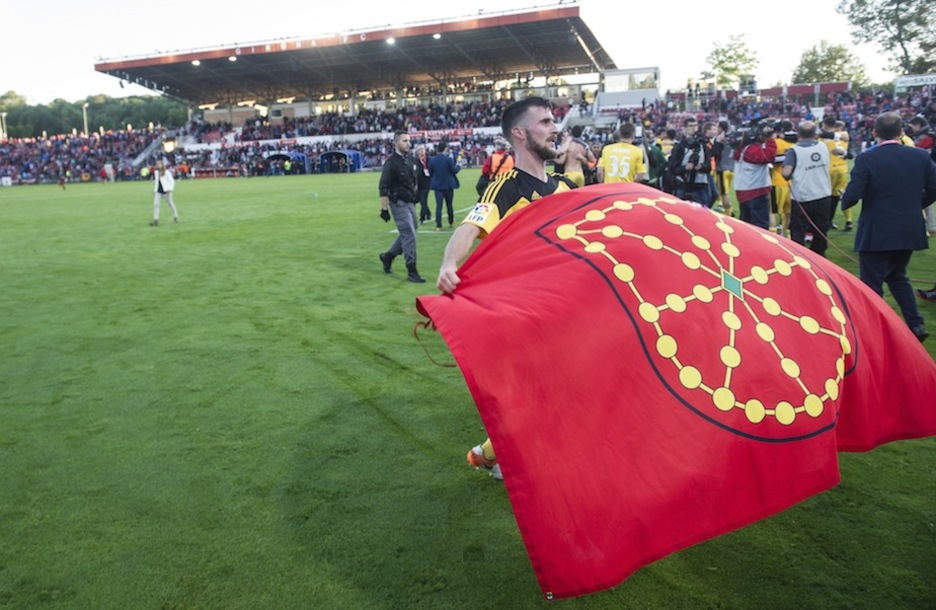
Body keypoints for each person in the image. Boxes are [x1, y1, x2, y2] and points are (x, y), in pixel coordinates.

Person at [436, 96, 577, 480]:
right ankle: (490, 454)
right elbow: (470, 227)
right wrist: (450, 263)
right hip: (530, 314)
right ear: (519, 133)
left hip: (573, 307)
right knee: (546, 395)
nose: (554, 128)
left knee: (565, 390)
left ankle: (494, 453)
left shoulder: (567, 185)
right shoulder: (506, 188)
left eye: (554, 121)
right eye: (545, 122)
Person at [842, 112, 936, 343]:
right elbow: (934, 188)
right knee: (897, 276)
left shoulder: (867, 159)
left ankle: (874, 330)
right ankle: (915, 323)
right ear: (901, 132)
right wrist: (916, 205)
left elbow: (853, 196)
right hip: (908, 227)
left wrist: (844, 198)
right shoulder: (920, 157)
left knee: (872, 283)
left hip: (877, 230)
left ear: (875, 133)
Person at [378, 131, 425, 283]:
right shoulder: (390, 163)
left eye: (409, 140)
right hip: (398, 202)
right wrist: (384, 209)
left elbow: (414, 180)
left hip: (410, 201)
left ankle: (388, 256)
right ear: (396, 143)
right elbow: (383, 187)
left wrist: (418, 196)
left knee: (410, 232)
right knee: (409, 234)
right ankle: (412, 270)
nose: (408, 143)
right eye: (405, 141)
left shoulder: (410, 159)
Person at [781, 121, 832, 256]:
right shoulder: (823, 146)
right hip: (823, 194)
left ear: (799, 133)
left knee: (798, 230)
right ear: (814, 133)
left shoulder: (794, 150)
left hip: (803, 197)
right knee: (821, 229)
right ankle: (819, 255)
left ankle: (800, 257)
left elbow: (786, 172)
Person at [732, 122, 776, 229]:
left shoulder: (742, 149)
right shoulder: (752, 149)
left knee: (747, 225)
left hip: (744, 190)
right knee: (759, 226)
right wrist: (770, 139)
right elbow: (767, 157)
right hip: (755, 191)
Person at [668, 117, 712, 206]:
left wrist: (701, 166)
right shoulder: (680, 147)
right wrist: (685, 168)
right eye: (690, 126)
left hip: (700, 185)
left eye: (695, 125)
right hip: (683, 185)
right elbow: (672, 168)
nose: (693, 128)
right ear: (685, 128)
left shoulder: (703, 146)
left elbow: (709, 166)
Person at [818, 115, 851, 230]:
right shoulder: (843, 136)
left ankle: (825, 221)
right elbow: (849, 154)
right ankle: (841, 220)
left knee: (825, 197)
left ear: (824, 125)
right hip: (842, 170)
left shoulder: (820, 139)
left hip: (828, 170)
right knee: (838, 196)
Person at [770, 120, 796, 236]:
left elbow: (770, 159)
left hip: (778, 181)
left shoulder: (775, 142)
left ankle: (773, 235)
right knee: (789, 212)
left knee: (772, 212)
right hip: (792, 183)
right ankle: (787, 236)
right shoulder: (794, 143)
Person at [428, 141, 461, 231]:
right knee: (449, 204)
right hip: (448, 185)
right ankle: (451, 221)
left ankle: (439, 225)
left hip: (437, 186)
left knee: (439, 206)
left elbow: (430, 173)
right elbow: (453, 170)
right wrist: (459, 166)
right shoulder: (447, 159)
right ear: (445, 149)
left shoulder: (432, 160)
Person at [150, 160, 179, 227]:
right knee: (156, 205)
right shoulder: (156, 172)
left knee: (170, 204)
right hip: (159, 191)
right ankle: (155, 220)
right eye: (157, 164)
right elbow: (157, 182)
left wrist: (170, 189)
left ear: (162, 165)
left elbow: (172, 181)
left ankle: (175, 217)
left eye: (159, 164)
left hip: (166, 191)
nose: (158, 165)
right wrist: (155, 190)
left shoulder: (166, 172)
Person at [414, 145, 432, 224]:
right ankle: (428, 213)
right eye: (419, 150)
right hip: (418, 184)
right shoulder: (415, 161)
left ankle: (422, 218)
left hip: (427, 183)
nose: (421, 151)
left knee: (423, 200)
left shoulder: (429, 160)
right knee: (422, 201)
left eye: (422, 149)